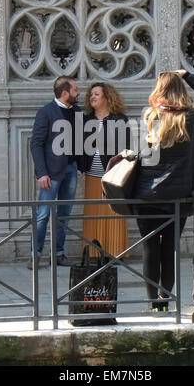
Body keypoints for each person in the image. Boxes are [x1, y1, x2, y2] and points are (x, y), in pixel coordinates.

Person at [133, 69, 194, 311]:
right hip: (177, 198)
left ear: (159, 90)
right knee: (169, 250)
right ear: (180, 91)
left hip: (147, 196)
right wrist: (188, 75)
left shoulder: (148, 115)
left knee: (150, 249)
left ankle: (152, 303)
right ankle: (164, 302)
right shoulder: (190, 117)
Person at [28, 76, 82, 269]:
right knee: (43, 214)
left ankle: (58, 254)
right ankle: (35, 255)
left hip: (71, 169)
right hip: (50, 173)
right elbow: (36, 144)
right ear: (65, 92)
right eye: (75, 90)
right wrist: (41, 173)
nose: (79, 93)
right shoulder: (46, 112)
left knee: (64, 213)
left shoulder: (77, 111)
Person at [82, 82, 131, 258]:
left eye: (96, 94)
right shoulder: (86, 120)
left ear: (107, 97)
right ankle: (93, 253)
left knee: (113, 213)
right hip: (92, 176)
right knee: (93, 214)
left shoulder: (119, 119)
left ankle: (115, 252)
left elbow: (126, 149)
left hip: (112, 176)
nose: (92, 97)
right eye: (91, 94)